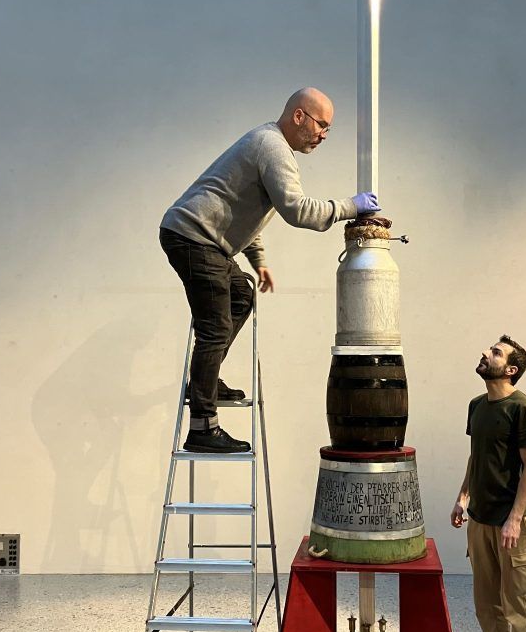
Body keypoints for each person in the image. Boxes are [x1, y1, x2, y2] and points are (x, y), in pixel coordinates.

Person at [159, 87, 380, 454]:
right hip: (194, 237)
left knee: (241, 297)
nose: (324, 134)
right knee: (214, 328)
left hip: (201, 237)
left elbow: (240, 208)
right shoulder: (273, 146)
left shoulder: (269, 144)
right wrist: (350, 207)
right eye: (322, 125)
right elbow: (296, 210)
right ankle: (202, 426)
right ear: (298, 116)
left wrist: (258, 262)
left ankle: (205, 383)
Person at [451, 335, 526, 632]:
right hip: (480, 521)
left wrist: (515, 518)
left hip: (512, 525)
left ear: (511, 369)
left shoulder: (523, 409)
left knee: (517, 602)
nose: (485, 353)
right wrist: (463, 498)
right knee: (486, 600)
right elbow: (477, 458)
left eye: (495, 352)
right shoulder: (477, 406)